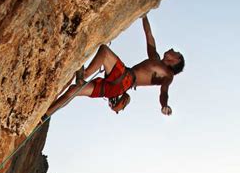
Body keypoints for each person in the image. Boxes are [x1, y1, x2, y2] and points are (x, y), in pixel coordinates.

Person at [44, 14, 184, 118]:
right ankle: (45, 116)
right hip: (116, 88)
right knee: (73, 90)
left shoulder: (168, 74)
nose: (172, 49)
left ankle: (84, 75)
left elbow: (164, 91)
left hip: (125, 79)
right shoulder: (155, 59)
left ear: (176, 60)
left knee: (104, 51)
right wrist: (144, 15)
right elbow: (149, 35)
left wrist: (164, 105)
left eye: (175, 52)